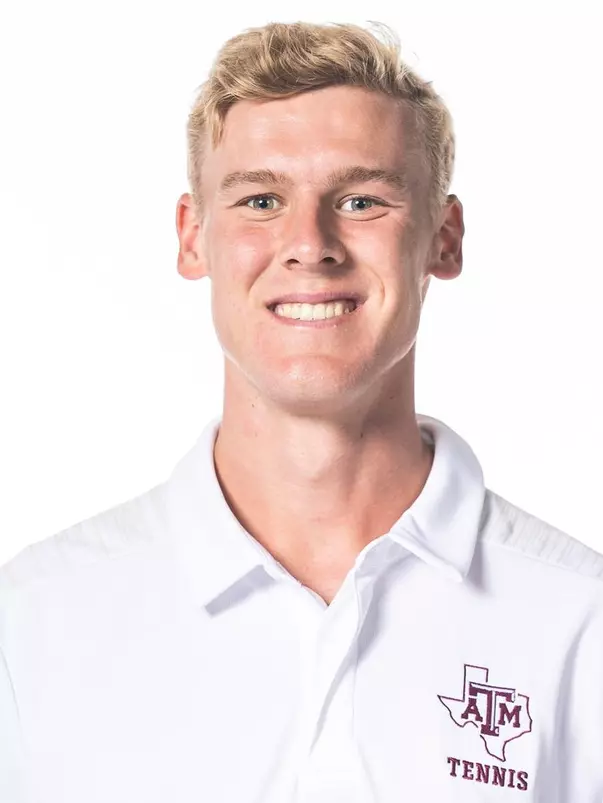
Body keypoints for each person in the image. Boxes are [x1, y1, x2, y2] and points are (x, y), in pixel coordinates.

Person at [1, 20, 602, 803]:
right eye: (260, 199)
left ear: (441, 240)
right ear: (193, 238)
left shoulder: (577, 622)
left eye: (360, 199)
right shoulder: (35, 620)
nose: (308, 243)